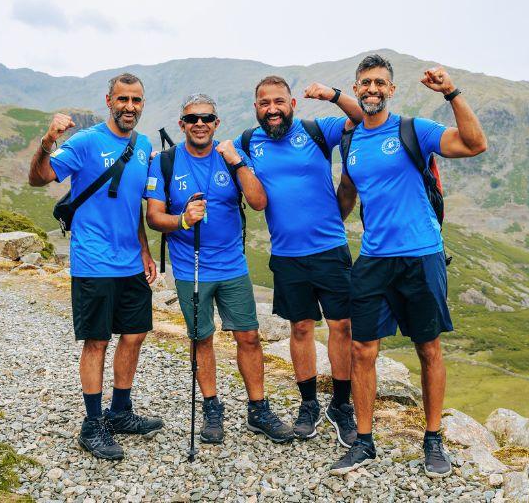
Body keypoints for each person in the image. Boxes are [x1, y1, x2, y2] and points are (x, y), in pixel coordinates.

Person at [331, 54, 487, 476]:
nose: (372, 89)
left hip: (421, 256)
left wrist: (451, 92)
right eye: (365, 83)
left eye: (380, 83)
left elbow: (474, 144)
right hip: (374, 259)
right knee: (362, 349)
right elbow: (347, 192)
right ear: (356, 88)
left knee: (428, 348)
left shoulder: (412, 129)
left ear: (391, 90)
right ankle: (364, 442)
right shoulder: (350, 142)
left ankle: (433, 439)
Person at [28, 73, 163, 461]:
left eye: (136, 100)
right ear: (109, 100)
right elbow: (39, 178)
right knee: (97, 341)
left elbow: (133, 204)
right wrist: (47, 141)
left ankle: (120, 412)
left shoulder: (143, 146)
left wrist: (144, 250)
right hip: (93, 261)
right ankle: (91, 424)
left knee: (135, 334)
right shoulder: (86, 142)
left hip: (129, 262)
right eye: (123, 99)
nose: (130, 107)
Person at [145, 93, 294, 445]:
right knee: (202, 339)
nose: (200, 124)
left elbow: (258, 202)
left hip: (232, 267)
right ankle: (212, 407)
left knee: (248, 337)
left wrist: (237, 162)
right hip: (189, 269)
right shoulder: (164, 162)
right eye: (192, 118)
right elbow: (154, 217)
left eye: (207, 118)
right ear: (182, 124)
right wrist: (182, 219)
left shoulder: (231, 158)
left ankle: (258, 409)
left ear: (217, 123)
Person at [234, 76, 364, 446]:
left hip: (329, 250)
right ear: (256, 107)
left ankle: (340, 405)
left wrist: (334, 95)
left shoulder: (317, 130)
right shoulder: (248, 142)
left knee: (342, 328)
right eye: (264, 103)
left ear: (292, 103)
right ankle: (308, 403)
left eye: (278, 101)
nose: (272, 109)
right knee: (301, 329)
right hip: (287, 256)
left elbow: (361, 117)